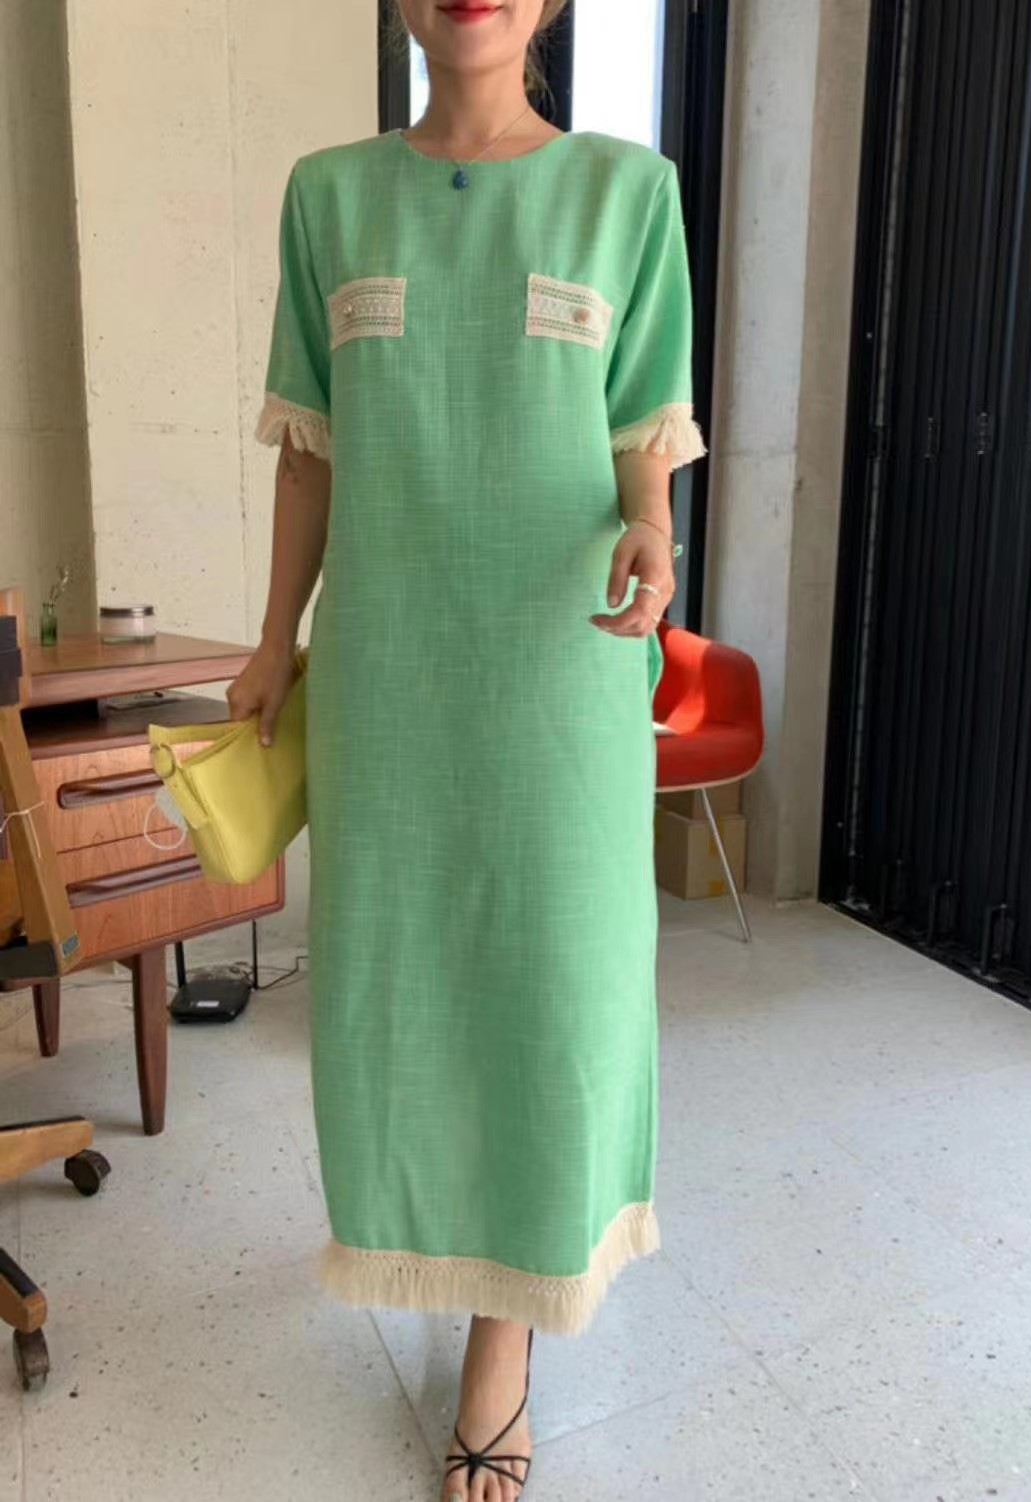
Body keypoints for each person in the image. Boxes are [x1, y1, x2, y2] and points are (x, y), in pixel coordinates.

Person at [227, 1, 706, 1496]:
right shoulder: (331, 196)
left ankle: (505, 1339)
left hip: (562, 673)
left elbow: (643, 428)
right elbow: (312, 450)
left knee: (550, 986)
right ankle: (426, 1238)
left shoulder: (628, 192)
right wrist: (273, 638)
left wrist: (653, 525)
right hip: (390, 678)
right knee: (399, 985)